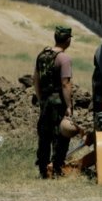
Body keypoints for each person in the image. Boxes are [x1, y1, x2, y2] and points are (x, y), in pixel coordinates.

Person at [33, 26, 73, 178]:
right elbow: (65, 84)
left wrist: (41, 99)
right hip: (58, 103)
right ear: (68, 40)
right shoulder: (64, 59)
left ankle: (43, 169)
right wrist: (68, 106)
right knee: (61, 135)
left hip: (45, 102)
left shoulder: (42, 56)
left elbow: (35, 80)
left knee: (45, 136)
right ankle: (57, 168)